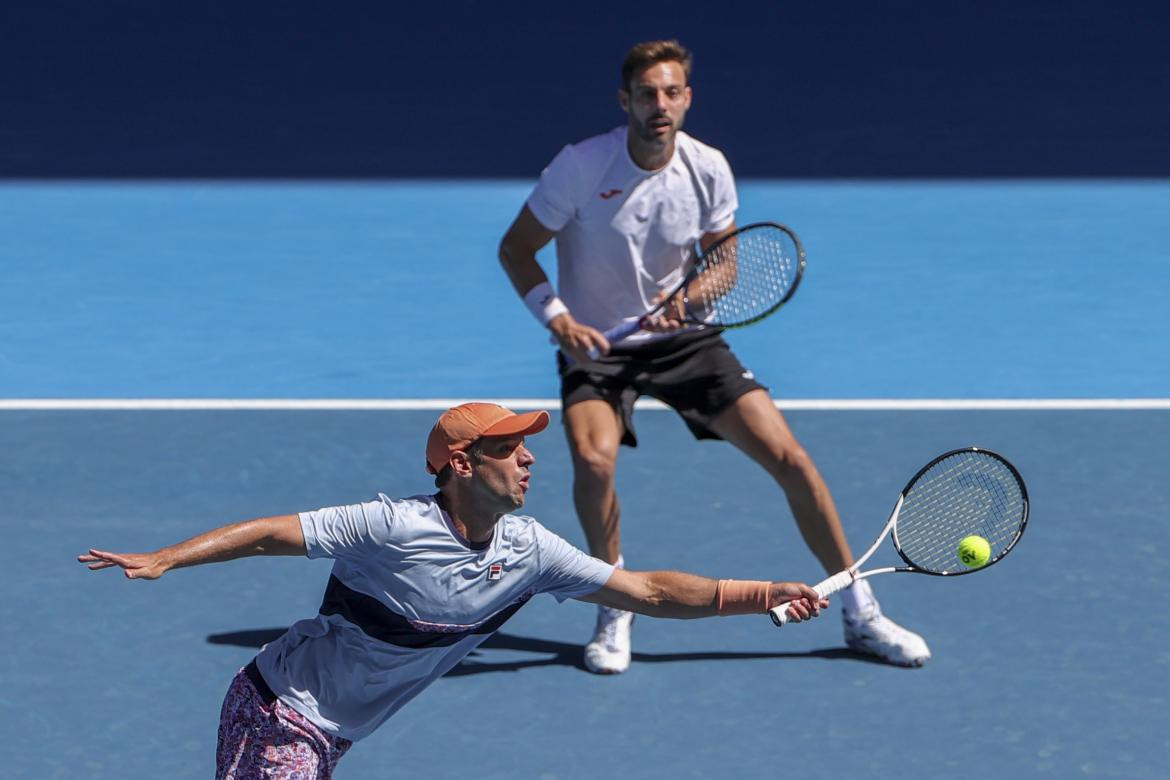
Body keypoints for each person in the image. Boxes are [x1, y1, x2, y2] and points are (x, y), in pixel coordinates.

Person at [79, 402, 828, 779]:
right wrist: (167, 559)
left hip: (338, 729)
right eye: (510, 449)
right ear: (464, 465)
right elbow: (274, 532)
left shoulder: (531, 551)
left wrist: (763, 593)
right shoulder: (391, 525)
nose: (530, 458)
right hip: (279, 711)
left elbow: (651, 593)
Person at [498, 39, 930, 674]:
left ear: (687, 98)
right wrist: (558, 319)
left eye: (672, 92)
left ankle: (858, 607)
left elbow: (725, 258)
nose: (660, 105)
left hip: (687, 342)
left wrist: (691, 297)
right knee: (593, 461)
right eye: (647, 94)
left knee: (791, 457)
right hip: (599, 348)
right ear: (625, 101)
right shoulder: (580, 167)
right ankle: (615, 605)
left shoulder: (708, 168)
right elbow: (516, 249)